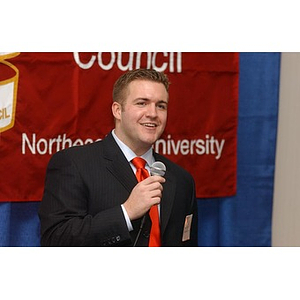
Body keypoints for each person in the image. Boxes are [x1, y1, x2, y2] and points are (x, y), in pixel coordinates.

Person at [38, 68, 198, 246]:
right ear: (117, 110)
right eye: (142, 103)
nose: (153, 113)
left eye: (161, 105)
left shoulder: (182, 180)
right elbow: (56, 239)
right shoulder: (74, 164)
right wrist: (125, 213)